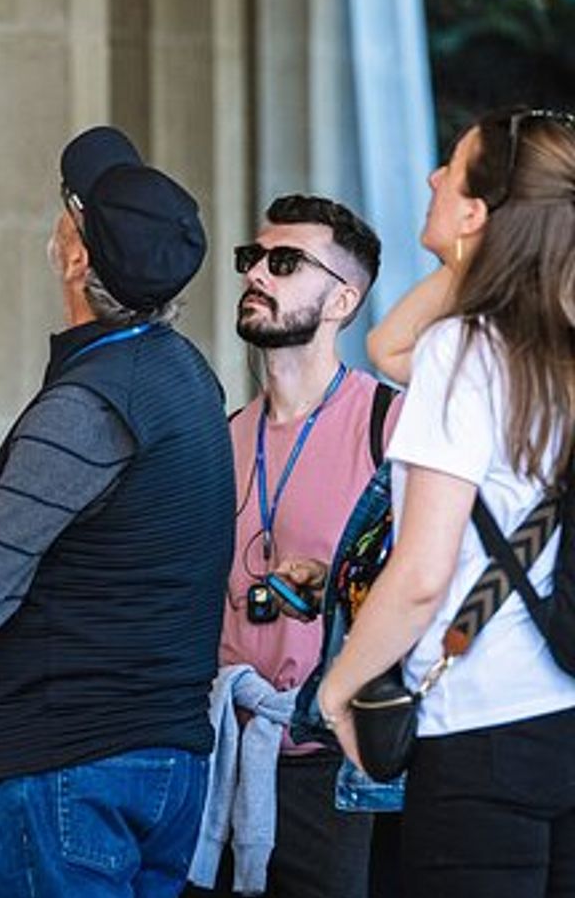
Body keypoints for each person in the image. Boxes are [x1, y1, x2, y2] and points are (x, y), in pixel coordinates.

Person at [0, 125, 235, 898]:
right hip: (165, 763)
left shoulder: (88, 403)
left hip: (71, 768)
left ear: (76, 258)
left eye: (70, 211)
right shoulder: (189, 377)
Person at [318, 108, 575, 896]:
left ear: (478, 211)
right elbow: (386, 348)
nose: (431, 176)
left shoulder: (466, 353)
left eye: (450, 168)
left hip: (479, 733)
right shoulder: (547, 346)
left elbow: (423, 572)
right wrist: (482, 252)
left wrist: (335, 692)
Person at [185, 195, 400, 898]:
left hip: (332, 765)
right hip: (221, 755)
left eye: (285, 263)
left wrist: (340, 584)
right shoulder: (222, 435)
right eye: (253, 260)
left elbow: (433, 580)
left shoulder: (388, 424)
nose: (258, 276)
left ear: (343, 300)